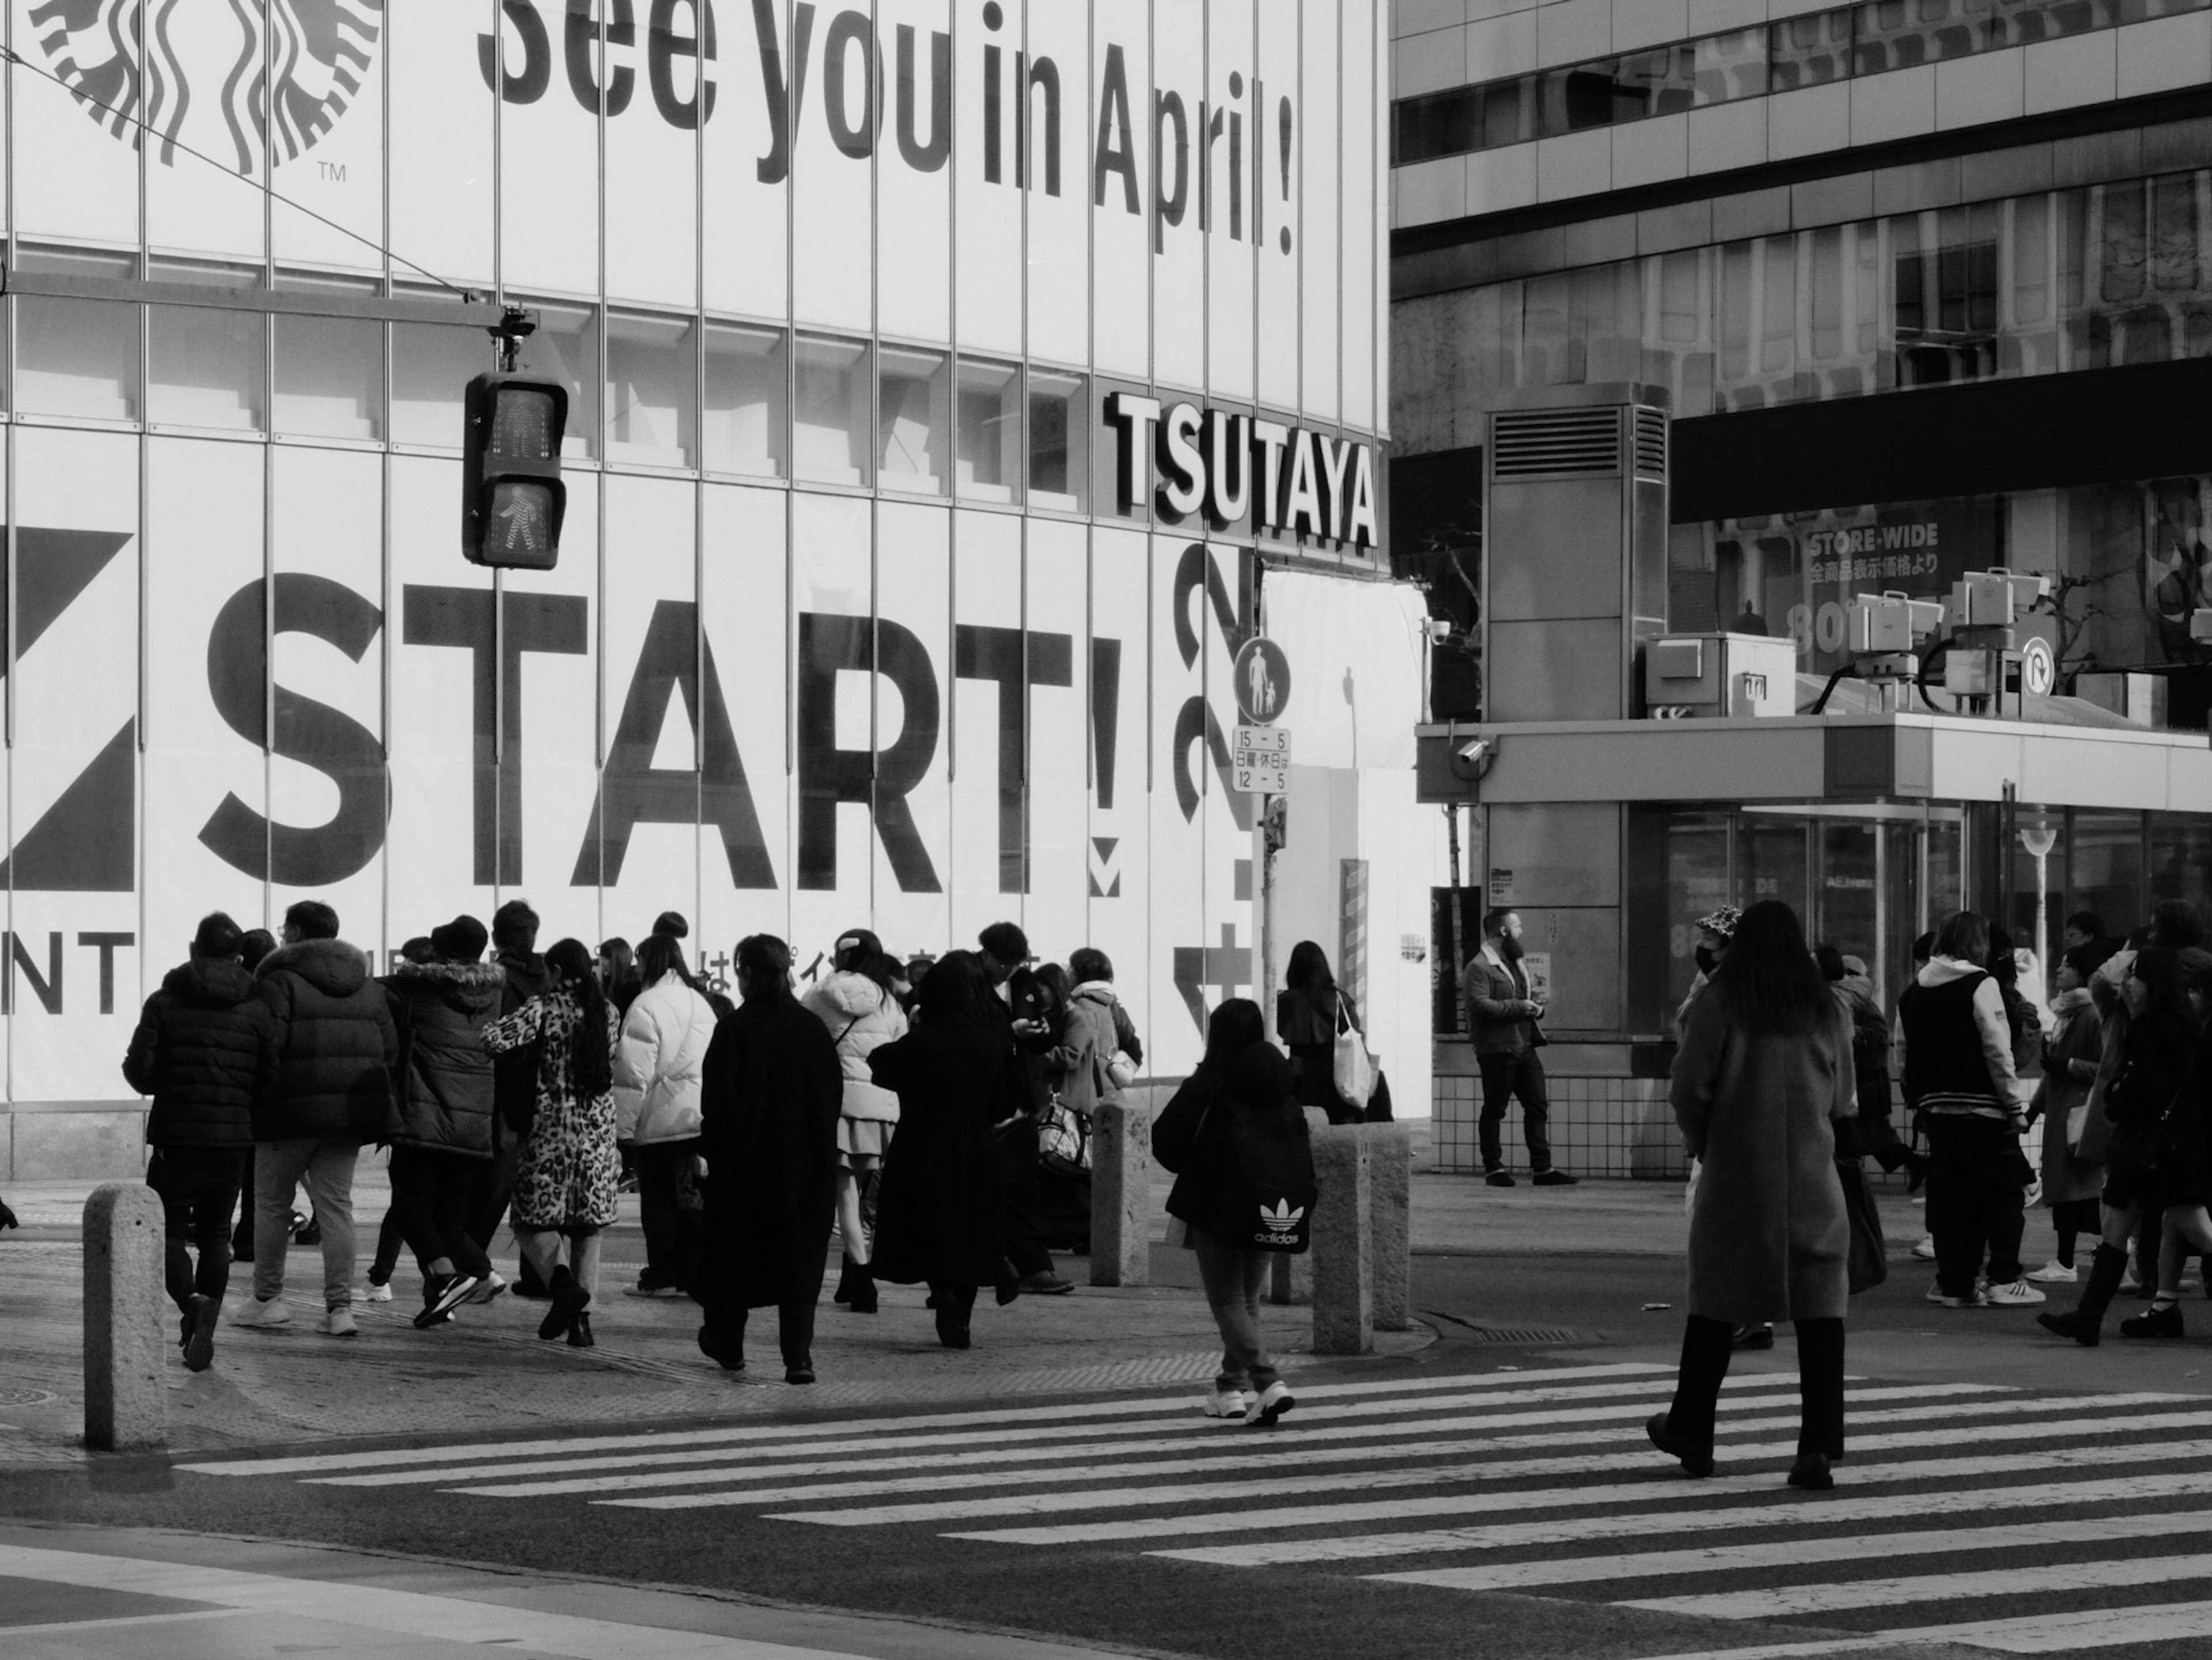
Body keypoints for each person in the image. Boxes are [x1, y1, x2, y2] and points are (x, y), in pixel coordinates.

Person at [1649, 899, 1853, 1492]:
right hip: (1815, 1179)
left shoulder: (1721, 1000)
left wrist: (1703, 1140)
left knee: (1715, 1301)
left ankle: (1692, 1428)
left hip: (1738, 1175)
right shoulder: (1826, 1006)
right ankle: (1816, 1446)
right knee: (1822, 1314)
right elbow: (1843, 1100)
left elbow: (1688, 1089)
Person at [230, 901, 400, 1339]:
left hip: (288, 1113)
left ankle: (268, 1300)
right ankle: (340, 1308)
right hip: (346, 1117)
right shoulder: (367, 986)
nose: (282, 934)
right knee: (337, 1207)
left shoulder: (278, 980)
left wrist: (259, 1096)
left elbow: (266, 1047)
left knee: (271, 1203)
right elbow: (390, 1050)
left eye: (287, 927)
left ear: (299, 932)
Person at [122, 910, 272, 1372]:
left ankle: (191, 1303)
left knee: (165, 1231)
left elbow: (139, 1072)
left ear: (194, 948)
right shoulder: (258, 1007)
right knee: (215, 1236)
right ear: (240, 955)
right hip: (232, 1143)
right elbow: (270, 1080)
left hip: (177, 1138)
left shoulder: (165, 1002)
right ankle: (203, 1326)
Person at [695, 934, 844, 1383]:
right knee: (800, 1258)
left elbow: (717, 1103)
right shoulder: (812, 1029)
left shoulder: (734, 1030)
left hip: (745, 1167)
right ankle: (798, 1356)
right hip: (805, 1167)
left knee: (734, 1255)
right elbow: (830, 1100)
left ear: (744, 972)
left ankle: (728, 1343)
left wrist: (713, 1153)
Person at [869, 954, 1028, 1348]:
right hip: (977, 1149)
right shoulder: (991, 1043)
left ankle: (942, 1291)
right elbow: (1006, 1103)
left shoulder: (921, 1040)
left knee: (930, 1227)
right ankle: (965, 1314)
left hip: (920, 1146)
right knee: (970, 1230)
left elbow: (880, 1065)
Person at [1153, 999, 1301, 1424]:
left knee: (1229, 1302)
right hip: (1271, 1204)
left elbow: (1165, 1140)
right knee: (1247, 1301)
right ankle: (1229, 1389)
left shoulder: (1208, 1085)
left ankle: (1267, 1380)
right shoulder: (1278, 1083)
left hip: (1215, 1203)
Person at [1897, 910, 2043, 1310]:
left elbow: (1902, 1050)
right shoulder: (1982, 983)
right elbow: (1997, 1048)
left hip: (1937, 1110)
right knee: (2004, 1193)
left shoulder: (1913, 991)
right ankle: (2005, 1278)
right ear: (1977, 943)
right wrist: (2014, 1105)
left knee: (1951, 1197)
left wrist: (1918, 1096)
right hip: (1984, 1109)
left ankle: (1955, 1282)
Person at [480, 937, 622, 1348]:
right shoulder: (608, 1011)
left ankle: (563, 1288)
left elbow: (493, 1040)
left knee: (529, 1221)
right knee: (586, 1227)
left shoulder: (543, 1009)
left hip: (550, 1134)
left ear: (557, 972)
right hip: (596, 1136)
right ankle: (582, 1322)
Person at [381, 915, 504, 1329]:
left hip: (426, 1118)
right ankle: (479, 1273)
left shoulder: (419, 988)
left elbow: (371, 991)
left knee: (408, 1205)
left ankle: (452, 1274)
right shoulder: (495, 993)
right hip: (474, 1125)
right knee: (450, 1214)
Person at [799, 929, 909, 1315]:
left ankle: (861, 1280)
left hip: (838, 1104)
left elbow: (804, 1042)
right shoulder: (890, 1002)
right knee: (869, 1198)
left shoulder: (818, 994)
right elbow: (900, 1049)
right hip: (883, 1107)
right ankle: (853, 1276)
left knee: (844, 1193)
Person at [613, 932, 717, 1298]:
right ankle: (694, 1275)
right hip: (697, 1113)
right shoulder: (700, 1002)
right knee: (689, 1199)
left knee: (658, 1204)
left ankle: (662, 1275)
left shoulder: (646, 1004)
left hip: (660, 1118)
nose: (636, 968)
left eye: (639, 960)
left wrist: (622, 1128)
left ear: (650, 961)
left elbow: (632, 1074)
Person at [976, 921, 1074, 1295]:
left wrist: (1037, 1032)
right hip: (981, 1098)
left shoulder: (1024, 984)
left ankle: (1033, 1265)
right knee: (977, 1186)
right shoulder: (969, 979)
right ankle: (975, 1266)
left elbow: (1044, 1036)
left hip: (1020, 1099)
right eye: (995, 959)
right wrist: (1007, 1032)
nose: (1000, 968)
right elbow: (965, 1030)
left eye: (1008, 963)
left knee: (1022, 1186)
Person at [472, 899, 554, 1298]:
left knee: (495, 1187)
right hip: (547, 1097)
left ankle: (471, 1267)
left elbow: (492, 1039)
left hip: (504, 1095)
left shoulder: (497, 980)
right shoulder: (549, 978)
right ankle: (540, 1273)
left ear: (496, 935)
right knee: (536, 1190)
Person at [1463, 912, 1574, 1187]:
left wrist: (1536, 1006)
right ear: (1503, 931)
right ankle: (1494, 1169)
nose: (1521, 931)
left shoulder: (1515, 963)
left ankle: (1542, 1169)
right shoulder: (1479, 967)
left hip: (1525, 1045)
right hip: (1497, 1049)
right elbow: (1478, 1005)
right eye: (1517, 926)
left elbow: (1527, 999)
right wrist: (1519, 1007)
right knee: (1495, 1110)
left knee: (1537, 1106)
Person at [2025, 944, 2110, 1284]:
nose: (2059, 970)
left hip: (2080, 1116)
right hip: (2063, 1114)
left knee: (2077, 1192)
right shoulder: (2066, 1015)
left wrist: (2069, 1064)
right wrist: (2032, 1111)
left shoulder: (2090, 1015)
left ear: (2084, 975)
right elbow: (2052, 1073)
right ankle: (2071, 1260)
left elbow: (2106, 1067)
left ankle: (2068, 1262)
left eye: (2067, 966)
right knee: (2069, 1192)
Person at [1278, 940, 1387, 1129]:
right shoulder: (1341, 1000)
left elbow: (1282, 1032)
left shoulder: (1286, 1001)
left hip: (1303, 1079)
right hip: (1341, 1078)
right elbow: (1357, 1038)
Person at [229, 928, 280, 1265]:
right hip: (266, 1098)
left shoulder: (237, 992)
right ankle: (249, 1239)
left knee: (232, 1173)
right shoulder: (278, 992)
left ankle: (223, 1238)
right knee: (259, 1182)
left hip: (234, 1096)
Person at [598, 937, 644, 1017]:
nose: (602, 963)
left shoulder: (633, 988)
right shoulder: (608, 982)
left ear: (618, 960)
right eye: (601, 958)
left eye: (606, 959)